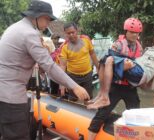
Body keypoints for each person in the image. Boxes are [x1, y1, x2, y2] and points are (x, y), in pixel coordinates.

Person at [0, 1, 90, 140]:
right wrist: (74, 86)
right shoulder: (29, 33)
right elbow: (50, 66)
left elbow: (41, 66)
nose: (48, 23)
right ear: (38, 16)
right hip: (10, 95)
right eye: (47, 19)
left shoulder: (15, 28)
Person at [87, 27, 154, 109]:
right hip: (134, 66)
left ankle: (105, 98)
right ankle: (100, 95)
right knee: (104, 60)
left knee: (109, 60)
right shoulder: (148, 49)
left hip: (141, 72)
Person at [88, 17, 143, 140]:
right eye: (131, 32)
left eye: (137, 32)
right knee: (102, 114)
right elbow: (107, 66)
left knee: (135, 115)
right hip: (116, 86)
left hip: (130, 87)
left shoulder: (140, 47)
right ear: (126, 32)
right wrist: (124, 67)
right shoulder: (117, 45)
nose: (134, 35)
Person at [59, 22, 99, 100]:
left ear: (77, 31)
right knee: (72, 99)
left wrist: (98, 67)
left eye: (73, 32)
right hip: (72, 77)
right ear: (65, 34)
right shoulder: (64, 47)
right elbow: (63, 66)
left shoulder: (86, 40)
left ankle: (88, 111)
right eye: (68, 33)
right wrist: (62, 84)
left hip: (87, 74)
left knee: (88, 98)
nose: (71, 35)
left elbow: (92, 54)